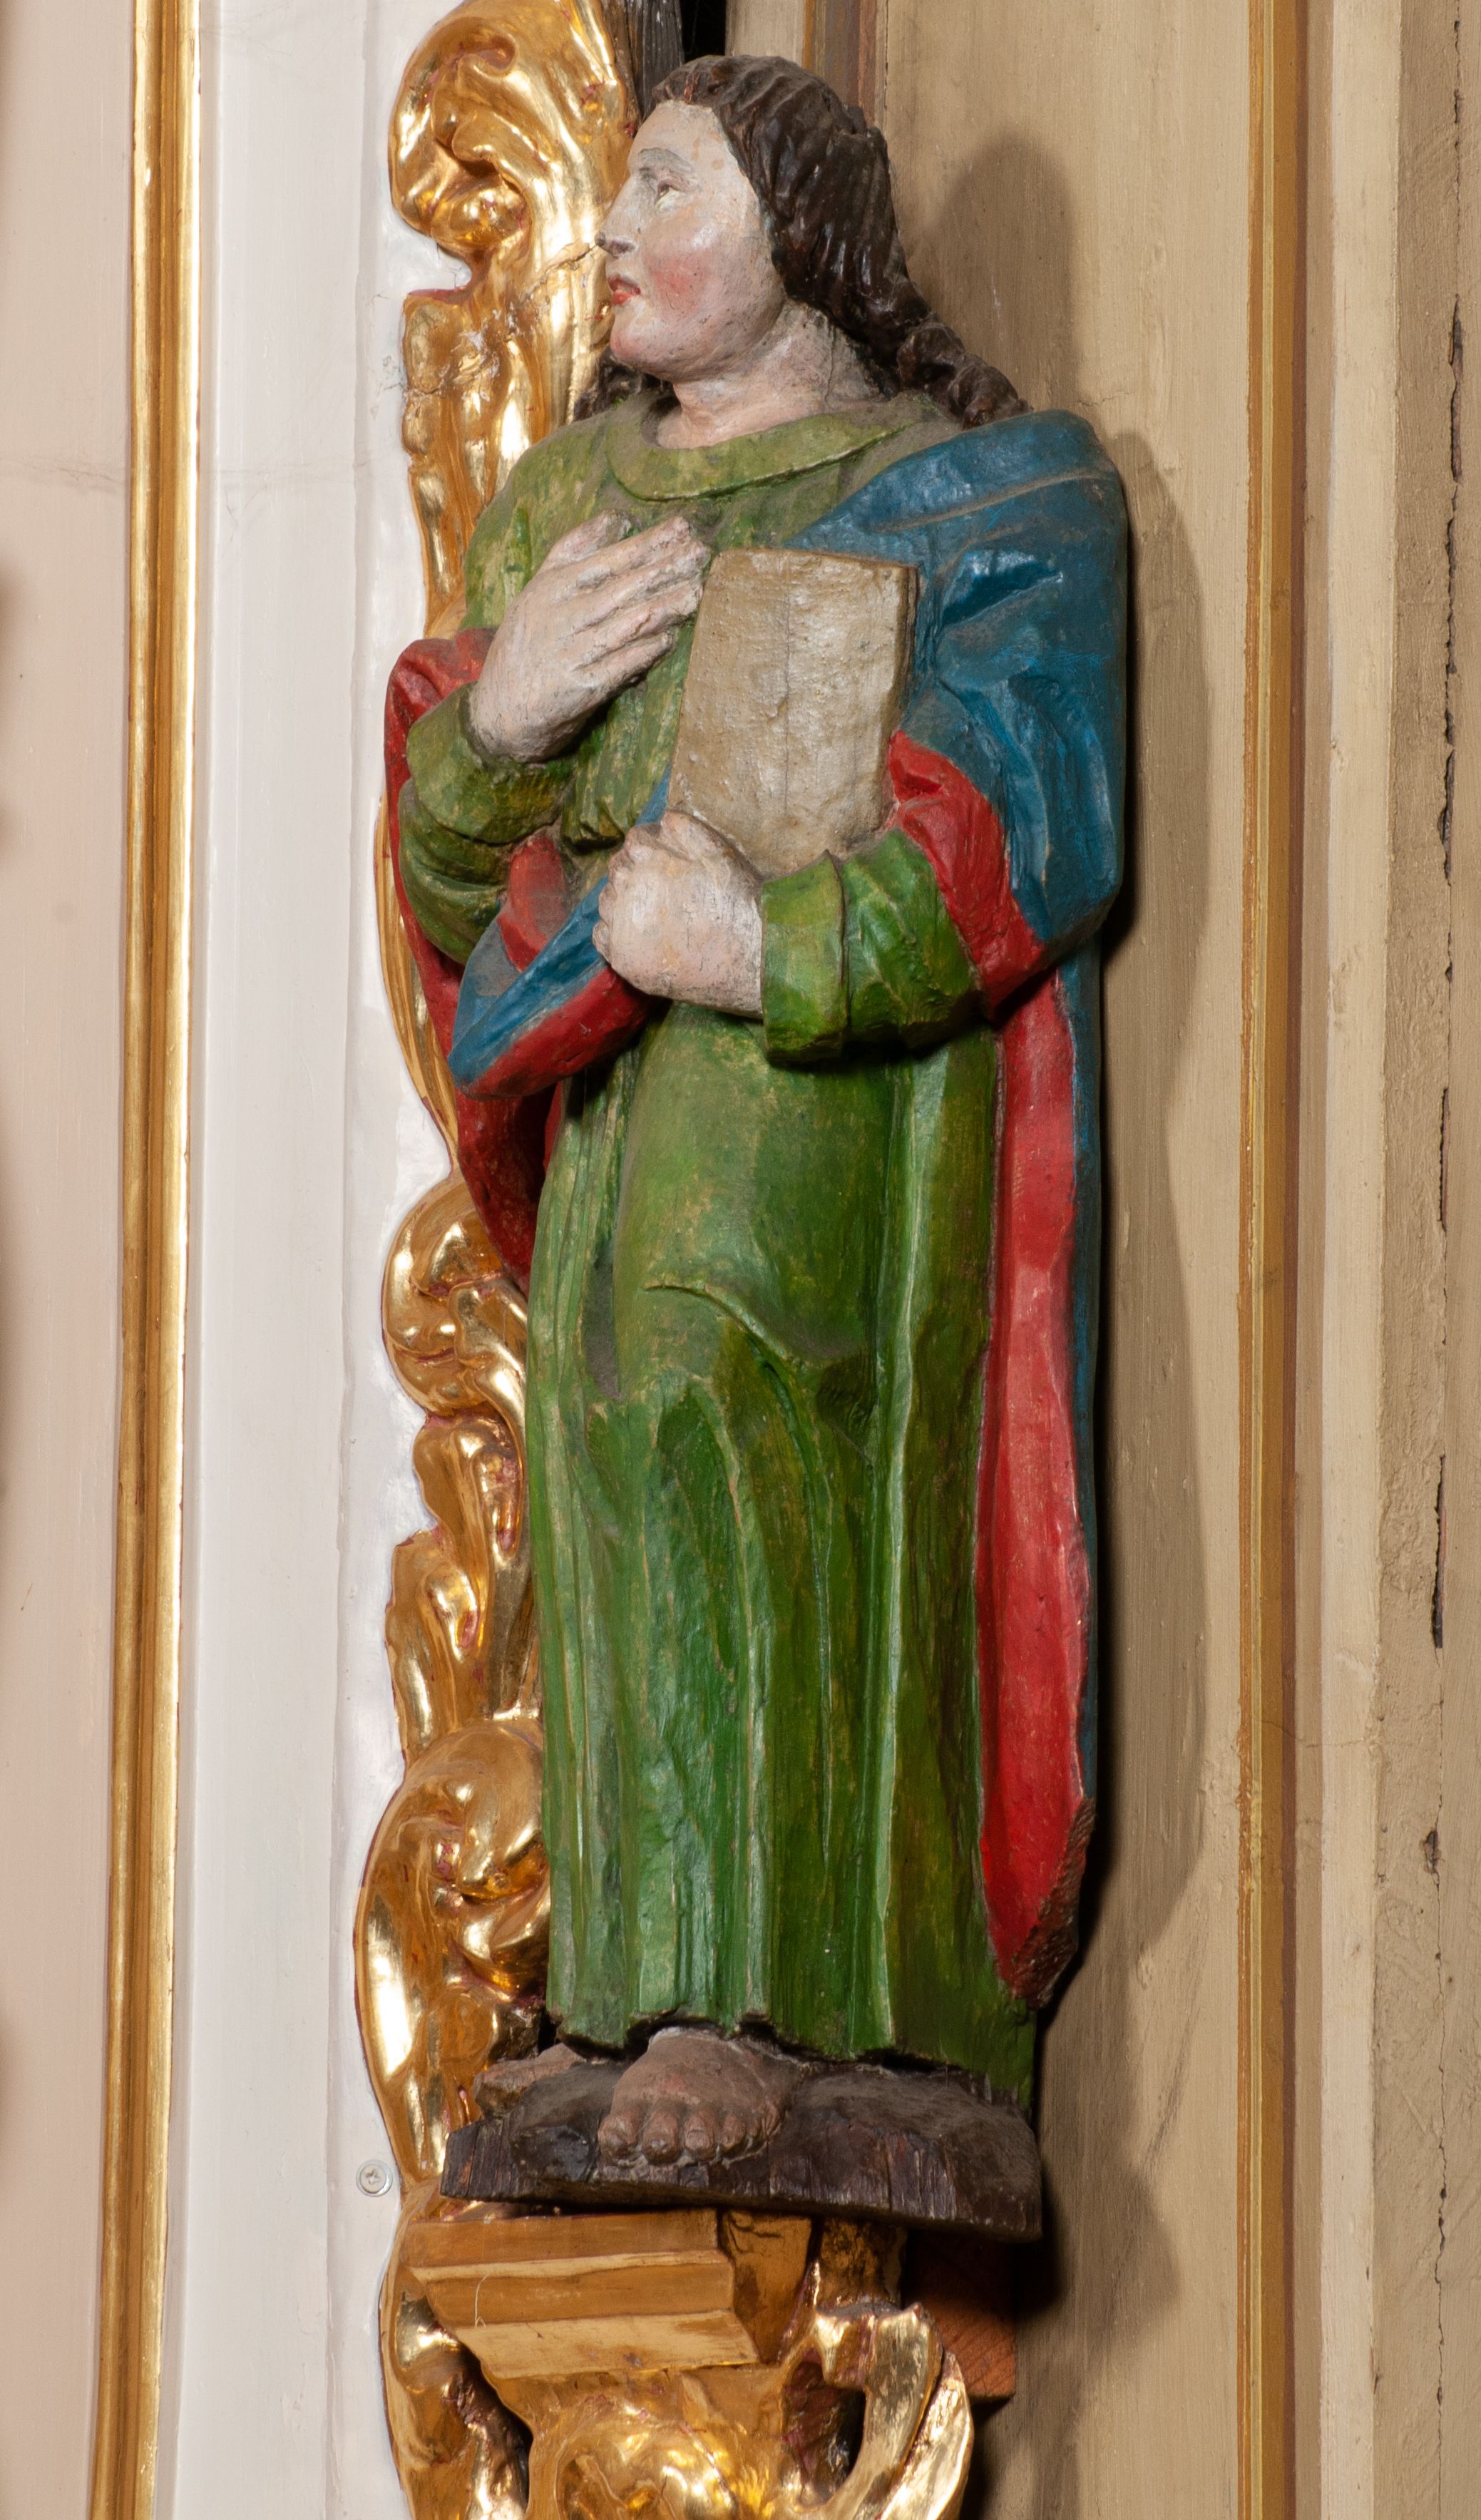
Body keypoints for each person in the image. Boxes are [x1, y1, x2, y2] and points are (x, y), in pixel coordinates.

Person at [386, 55, 1125, 2174]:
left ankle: (791, 1998)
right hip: (613, 1111)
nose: (615, 237)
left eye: (669, 193)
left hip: (828, 1126)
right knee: (613, 1451)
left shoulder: (974, 505)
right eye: (615, 197)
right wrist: (500, 723)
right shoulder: (561, 510)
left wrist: (769, 944)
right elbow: (450, 879)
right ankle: (636, 1983)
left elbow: (1025, 822)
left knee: (753, 1417)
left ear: (805, 241)